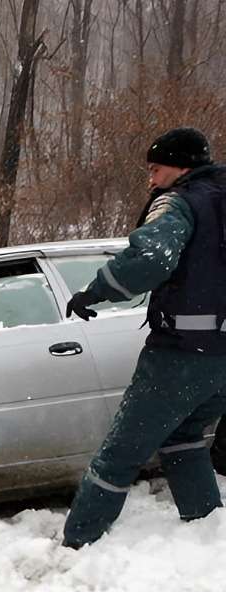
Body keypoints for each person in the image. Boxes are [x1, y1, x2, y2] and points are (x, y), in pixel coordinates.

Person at [62, 126, 226, 548]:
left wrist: (95, 292)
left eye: (156, 169)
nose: (151, 180)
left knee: (120, 453)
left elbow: (150, 259)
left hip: (182, 355)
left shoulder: (178, 202)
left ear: (182, 167)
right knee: (183, 436)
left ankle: (78, 544)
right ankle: (205, 525)